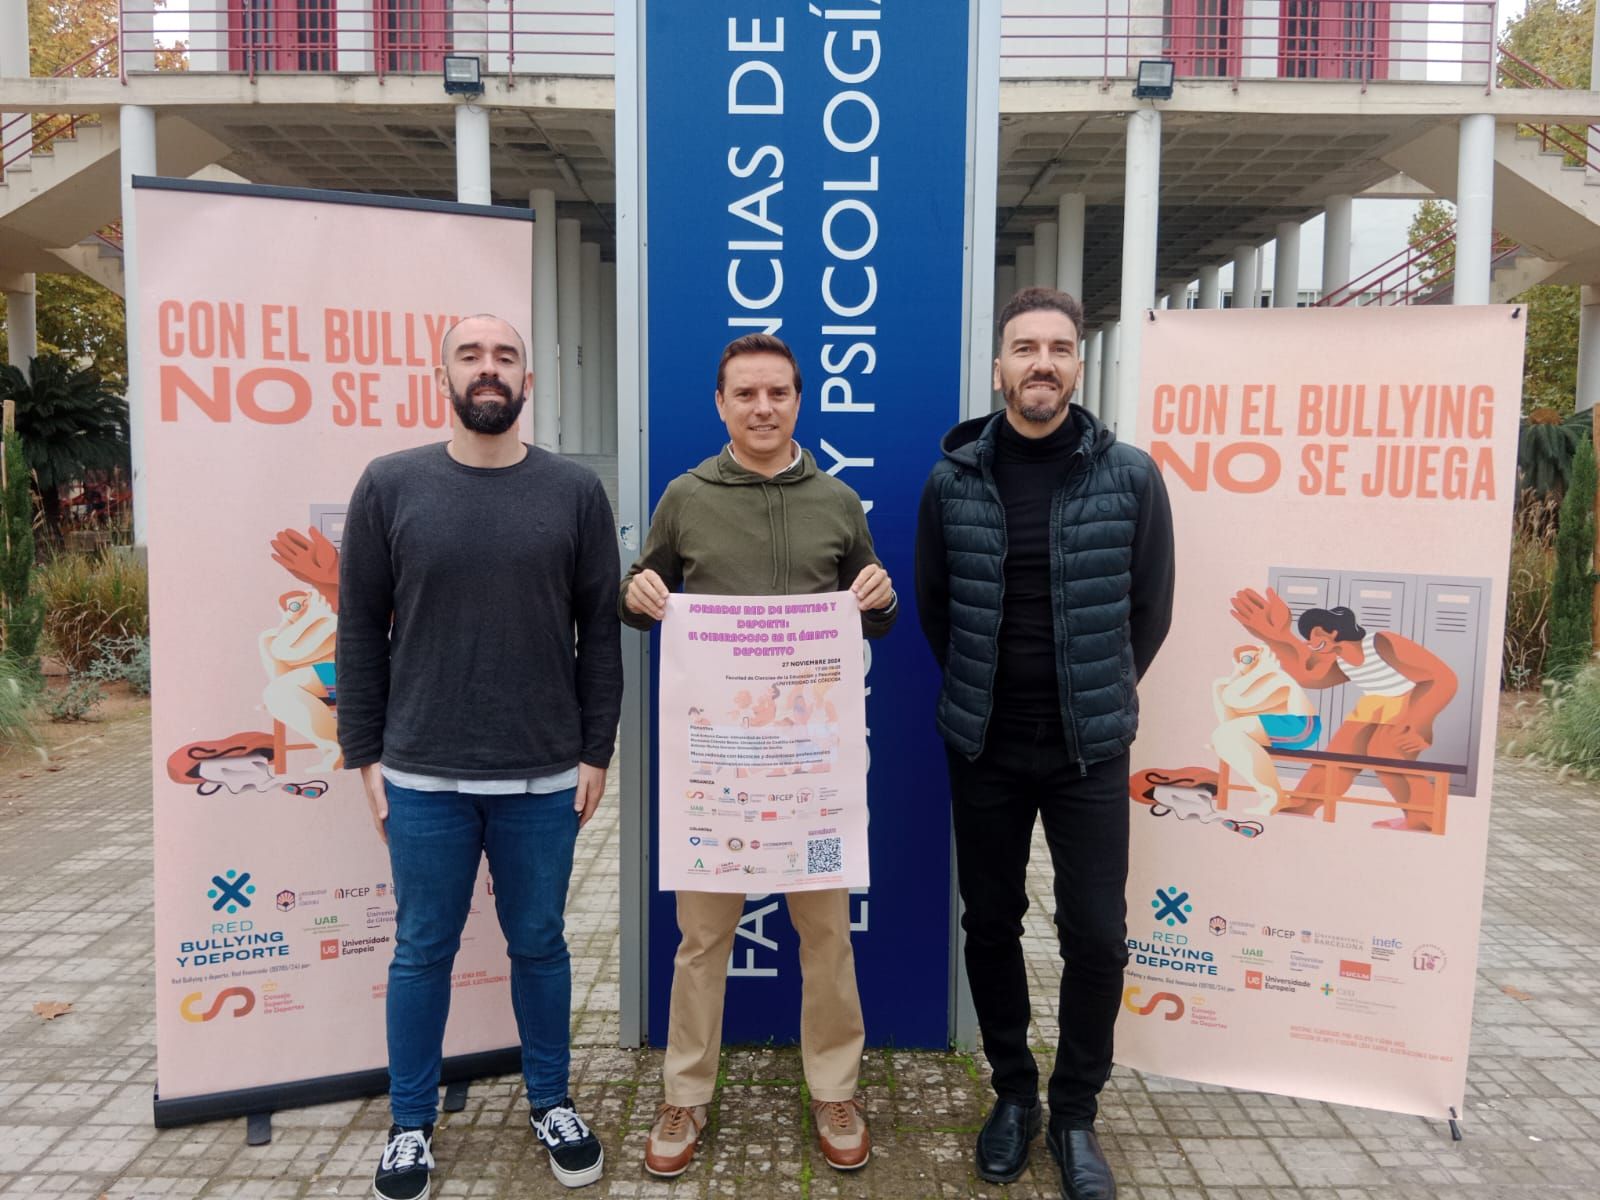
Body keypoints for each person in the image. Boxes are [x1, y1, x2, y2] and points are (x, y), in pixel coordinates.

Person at [336, 314, 623, 1199]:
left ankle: (551, 1101)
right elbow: (358, 631)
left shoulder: (574, 492)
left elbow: (600, 636)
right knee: (422, 949)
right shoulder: (390, 485)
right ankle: (411, 1124)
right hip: (422, 773)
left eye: (506, 357)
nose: (489, 370)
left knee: (539, 942)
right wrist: (365, 757)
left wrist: (596, 750)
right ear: (443, 376)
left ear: (527, 383)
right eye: (472, 356)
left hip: (542, 773)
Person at [915, 287, 1175, 1200]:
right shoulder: (954, 479)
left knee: (1098, 938)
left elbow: (1151, 612)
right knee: (990, 925)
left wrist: (1093, 695)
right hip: (983, 744)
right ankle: (1013, 1095)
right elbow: (936, 608)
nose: (1041, 363)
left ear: (1077, 364)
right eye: (1024, 347)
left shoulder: (1132, 477)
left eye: (1058, 348)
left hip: (1088, 751)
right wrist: (987, 693)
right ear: (999, 368)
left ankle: (1074, 1114)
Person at [620, 332, 896, 1178]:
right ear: (721, 404)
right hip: (719, 770)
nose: (763, 408)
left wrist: (881, 600)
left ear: (798, 401)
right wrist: (635, 592)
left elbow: (869, 613)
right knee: (702, 941)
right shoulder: (685, 497)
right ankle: (685, 1095)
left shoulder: (840, 502)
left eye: (777, 393)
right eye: (746, 394)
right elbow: (642, 596)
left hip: (812, 771)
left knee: (827, 939)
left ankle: (835, 1089)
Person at [1228, 592, 1457, 830]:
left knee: (1387, 754)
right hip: (1374, 705)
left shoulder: (1382, 643)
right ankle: (1303, 803)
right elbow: (1309, 674)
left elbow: (1442, 678)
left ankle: (1424, 818)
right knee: (1339, 755)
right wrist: (1276, 636)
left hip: (1410, 700)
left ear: (1333, 632)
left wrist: (1420, 723)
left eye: (1313, 636)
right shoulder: (1338, 657)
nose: (1308, 642)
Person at [1209, 643, 1320, 815]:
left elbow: (1234, 698)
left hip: (1300, 727)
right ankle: (1273, 796)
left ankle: (1273, 796)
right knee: (1221, 693)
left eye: (1256, 657)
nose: (1252, 663)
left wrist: (1260, 669)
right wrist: (1239, 672)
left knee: (1226, 726)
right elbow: (1229, 702)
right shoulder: (1241, 683)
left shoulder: (1275, 677)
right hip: (1275, 726)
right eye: (1246, 659)